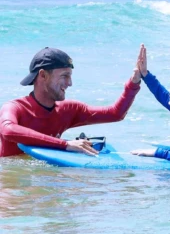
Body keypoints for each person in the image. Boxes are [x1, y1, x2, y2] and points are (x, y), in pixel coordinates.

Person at [0, 46, 142, 157]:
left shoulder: (68, 110)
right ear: (43, 75)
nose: (70, 83)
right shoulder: (14, 108)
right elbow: (8, 130)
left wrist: (134, 82)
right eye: (64, 76)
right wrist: (65, 144)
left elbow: (115, 114)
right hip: (11, 185)